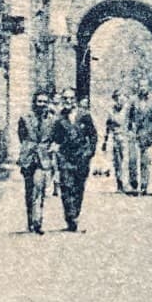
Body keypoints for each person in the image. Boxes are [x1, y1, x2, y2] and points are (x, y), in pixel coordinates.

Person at [16, 91, 62, 235]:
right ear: (34, 103)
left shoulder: (53, 120)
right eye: (39, 101)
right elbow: (21, 136)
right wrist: (28, 147)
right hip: (28, 157)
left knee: (39, 189)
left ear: (48, 104)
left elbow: (56, 137)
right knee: (29, 190)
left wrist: (51, 147)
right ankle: (30, 220)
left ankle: (37, 221)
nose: (42, 104)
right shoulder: (25, 118)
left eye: (44, 102)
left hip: (43, 158)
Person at [57, 93, 97, 232]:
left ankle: (75, 213)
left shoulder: (84, 115)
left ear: (75, 100)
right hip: (65, 157)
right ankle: (71, 217)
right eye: (65, 98)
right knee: (66, 187)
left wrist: (89, 153)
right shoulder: (59, 117)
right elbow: (55, 137)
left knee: (78, 187)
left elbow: (93, 135)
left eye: (71, 98)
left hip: (81, 157)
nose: (68, 101)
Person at [128, 85, 152, 196]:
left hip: (147, 134)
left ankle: (144, 186)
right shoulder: (133, 100)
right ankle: (133, 184)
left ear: (148, 88)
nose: (143, 88)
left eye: (145, 86)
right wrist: (129, 130)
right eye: (141, 86)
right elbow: (128, 116)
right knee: (132, 159)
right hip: (134, 134)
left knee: (145, 161)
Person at [104, 90, 129, 193]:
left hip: (126, 138)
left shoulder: (127, 110)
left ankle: (127, 184)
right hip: (115, 138)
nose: (120, 100)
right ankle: (119, 184)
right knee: (117, 162)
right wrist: (105, 141)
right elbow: (108, 126)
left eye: (122, 98)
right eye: (117, 98)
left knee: (126, 161)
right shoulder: (111, 111)